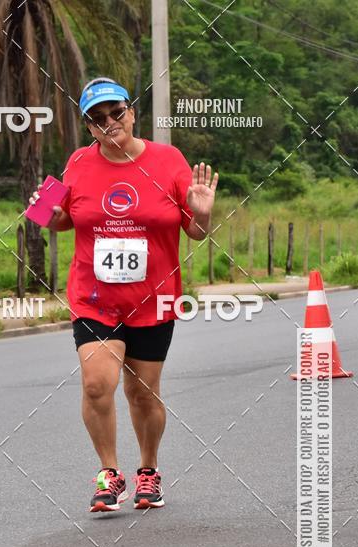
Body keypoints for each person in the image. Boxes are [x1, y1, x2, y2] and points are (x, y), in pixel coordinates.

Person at [29, 77, 218, 513]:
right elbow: (52, 216)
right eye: (97, 119)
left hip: (154, 298)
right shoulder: (77, 163)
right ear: (88, 127)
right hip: (94, 298)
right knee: (98, 385)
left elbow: (194, 231)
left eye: (116, 113)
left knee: (142, 393)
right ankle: (109, 474)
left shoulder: (169, 161)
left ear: (132, 112)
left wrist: (205, 214)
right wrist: (46, 211)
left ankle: (148, 470)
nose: (109, 123)